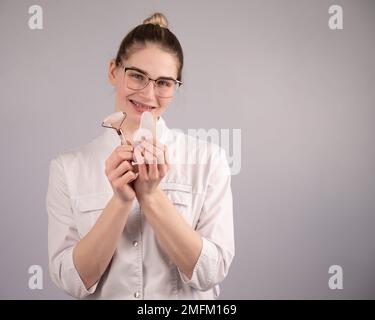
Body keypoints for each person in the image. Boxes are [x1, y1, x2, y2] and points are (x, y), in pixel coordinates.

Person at [46, 12, 234, 300]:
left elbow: (212, 272)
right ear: (113, 71)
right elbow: (71, 281)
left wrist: (150, 197)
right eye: (137, 76)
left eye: (164, 83)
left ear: (175, 87)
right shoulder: (68, 168)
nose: (148, 94)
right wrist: (121, 201)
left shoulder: (209, 160)